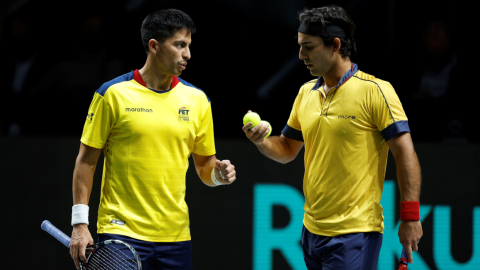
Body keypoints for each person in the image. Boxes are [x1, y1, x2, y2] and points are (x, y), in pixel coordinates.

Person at [242, 5, 422, 270]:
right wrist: (261, 141)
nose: (301, 55)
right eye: (300, 46)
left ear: (335, 45)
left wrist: (410, 217)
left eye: (309, 47)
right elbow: (288, 148)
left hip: (355, 233)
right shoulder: (306, 93)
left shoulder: (376, 91)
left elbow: (405, 153)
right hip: (311, 231)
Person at [69, 9, 236, 270]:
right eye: (180, 45)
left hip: (176, 237)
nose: (188, 54)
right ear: (154, 46)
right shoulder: (112, 94)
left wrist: (218, 175)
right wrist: (79, 224)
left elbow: (205, 166)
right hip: (120, 233)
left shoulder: (198, 100)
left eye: (189, 46)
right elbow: (86, 161)